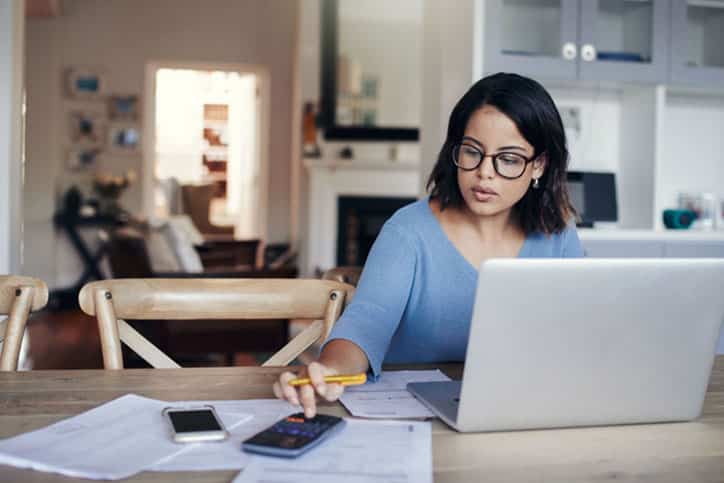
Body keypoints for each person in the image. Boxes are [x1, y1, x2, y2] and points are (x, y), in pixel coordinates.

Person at [273, 72, 584, 417]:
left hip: (518, 412)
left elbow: (579, 334)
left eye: (508, 159)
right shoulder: (408, 232)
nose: (485, 173)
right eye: (472, 152)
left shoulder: (558, 234)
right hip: (412, 419)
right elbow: (364, 326)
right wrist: (330, 371)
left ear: (538, 165)